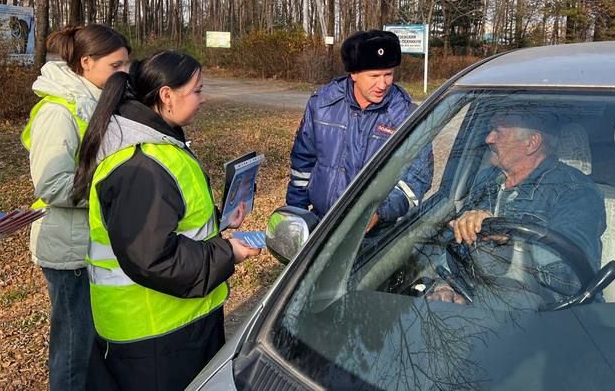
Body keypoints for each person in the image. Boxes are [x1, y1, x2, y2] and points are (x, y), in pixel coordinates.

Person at [72, 51, 261, 391]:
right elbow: (153, 257)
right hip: (155, 340)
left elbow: (166, 224)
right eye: (197, 90)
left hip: (170, 327)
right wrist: (227, 253)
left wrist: (220, 221)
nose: (203, 99)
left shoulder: (160, 146)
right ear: (166, 95)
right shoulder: (142, 164)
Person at [21, 24, 130, 391]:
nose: (124, 73)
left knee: (95, 343)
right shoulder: (58, 111)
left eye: (126, 65)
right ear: (86, 62)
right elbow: (52, 184)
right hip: (68, 251)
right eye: (116, 65)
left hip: (91, 244)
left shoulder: (96, 101)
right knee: (74, 347)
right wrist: (113, 193)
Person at [430, 111, 606, 304]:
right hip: (482, 307)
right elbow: (455, 245)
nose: (488, 139)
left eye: (498, 132)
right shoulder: (485, 180)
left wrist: (510, 242)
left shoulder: (576, 191)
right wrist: (446, 285)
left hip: (553, 317)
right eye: (490, 130)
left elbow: (573, 276)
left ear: (532, 143)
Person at [286, 30, 430, 228]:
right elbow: (302, 164)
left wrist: (379, 213)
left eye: (388, 74)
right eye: (374, 76)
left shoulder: (408, 117)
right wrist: (297, 216)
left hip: (376, 238)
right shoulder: (322, 105)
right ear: (353, 74)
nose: (383, 84)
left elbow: (417, 179)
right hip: (321, 226)